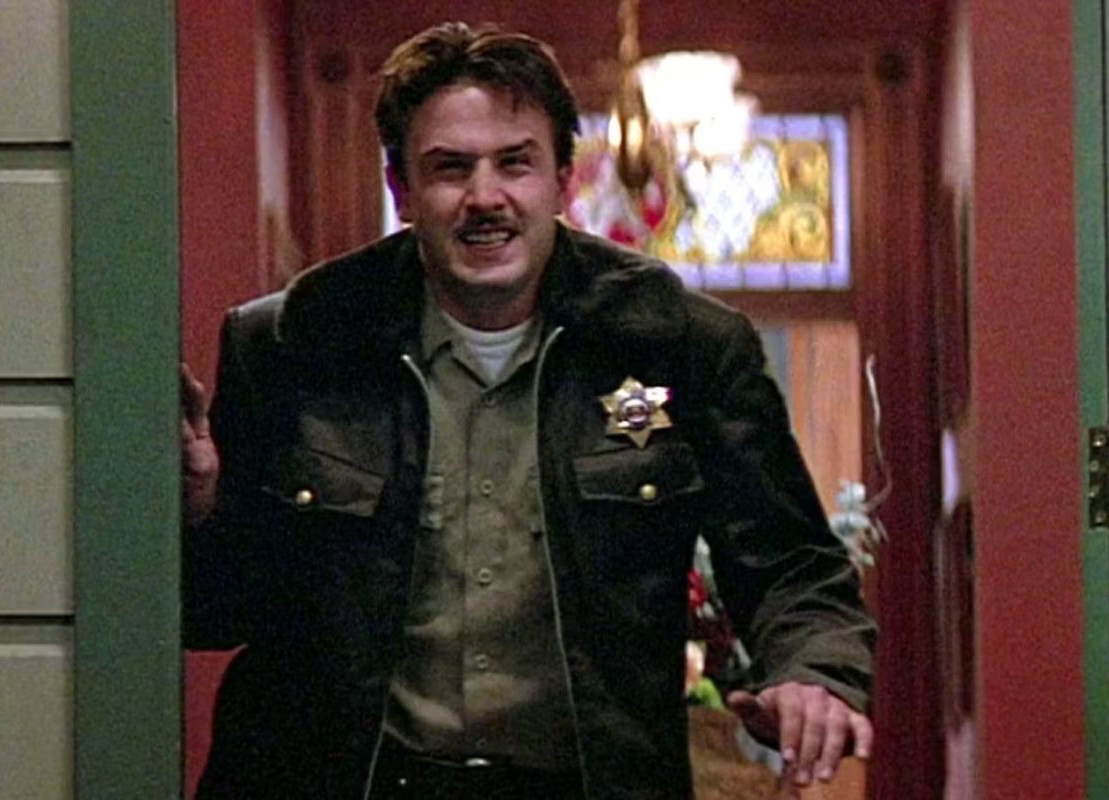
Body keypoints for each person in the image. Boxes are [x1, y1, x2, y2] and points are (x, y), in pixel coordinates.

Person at [181, 21, 875, 800]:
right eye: (450, 168)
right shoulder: (294, 343)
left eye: (515, 163)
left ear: (563, 182)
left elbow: (790, 564)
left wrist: (812, 674)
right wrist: (201, 508)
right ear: (402, 190)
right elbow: (217, 612)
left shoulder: (681, 345)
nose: (486, 198)